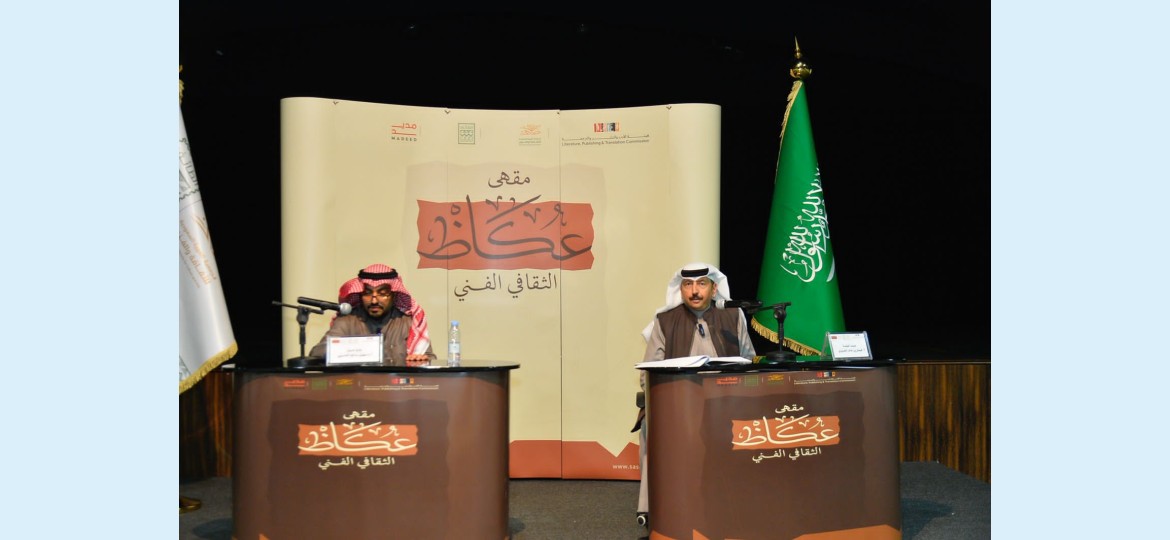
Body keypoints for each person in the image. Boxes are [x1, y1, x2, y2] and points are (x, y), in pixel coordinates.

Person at [634, 262, 756, 528]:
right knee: (650, 425)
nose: (694, 291)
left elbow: (749, 360)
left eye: (701, 284)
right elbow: (647, 373)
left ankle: (740, 505)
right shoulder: (665, 321)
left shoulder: (733, 316)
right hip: (678, 406)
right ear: (681, 290)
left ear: (714, 289)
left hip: (726, 403)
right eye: (688, 285)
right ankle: (652, 509)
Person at [309, 263, 436, 366]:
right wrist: (357, 350)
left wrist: (421, 359)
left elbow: (430, 358)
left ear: (394, 295)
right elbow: (317, 352)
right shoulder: (347, 320)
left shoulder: (408, 322)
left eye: (382, 293)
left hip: (398, 387)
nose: (374, 301)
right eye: (367, 293)